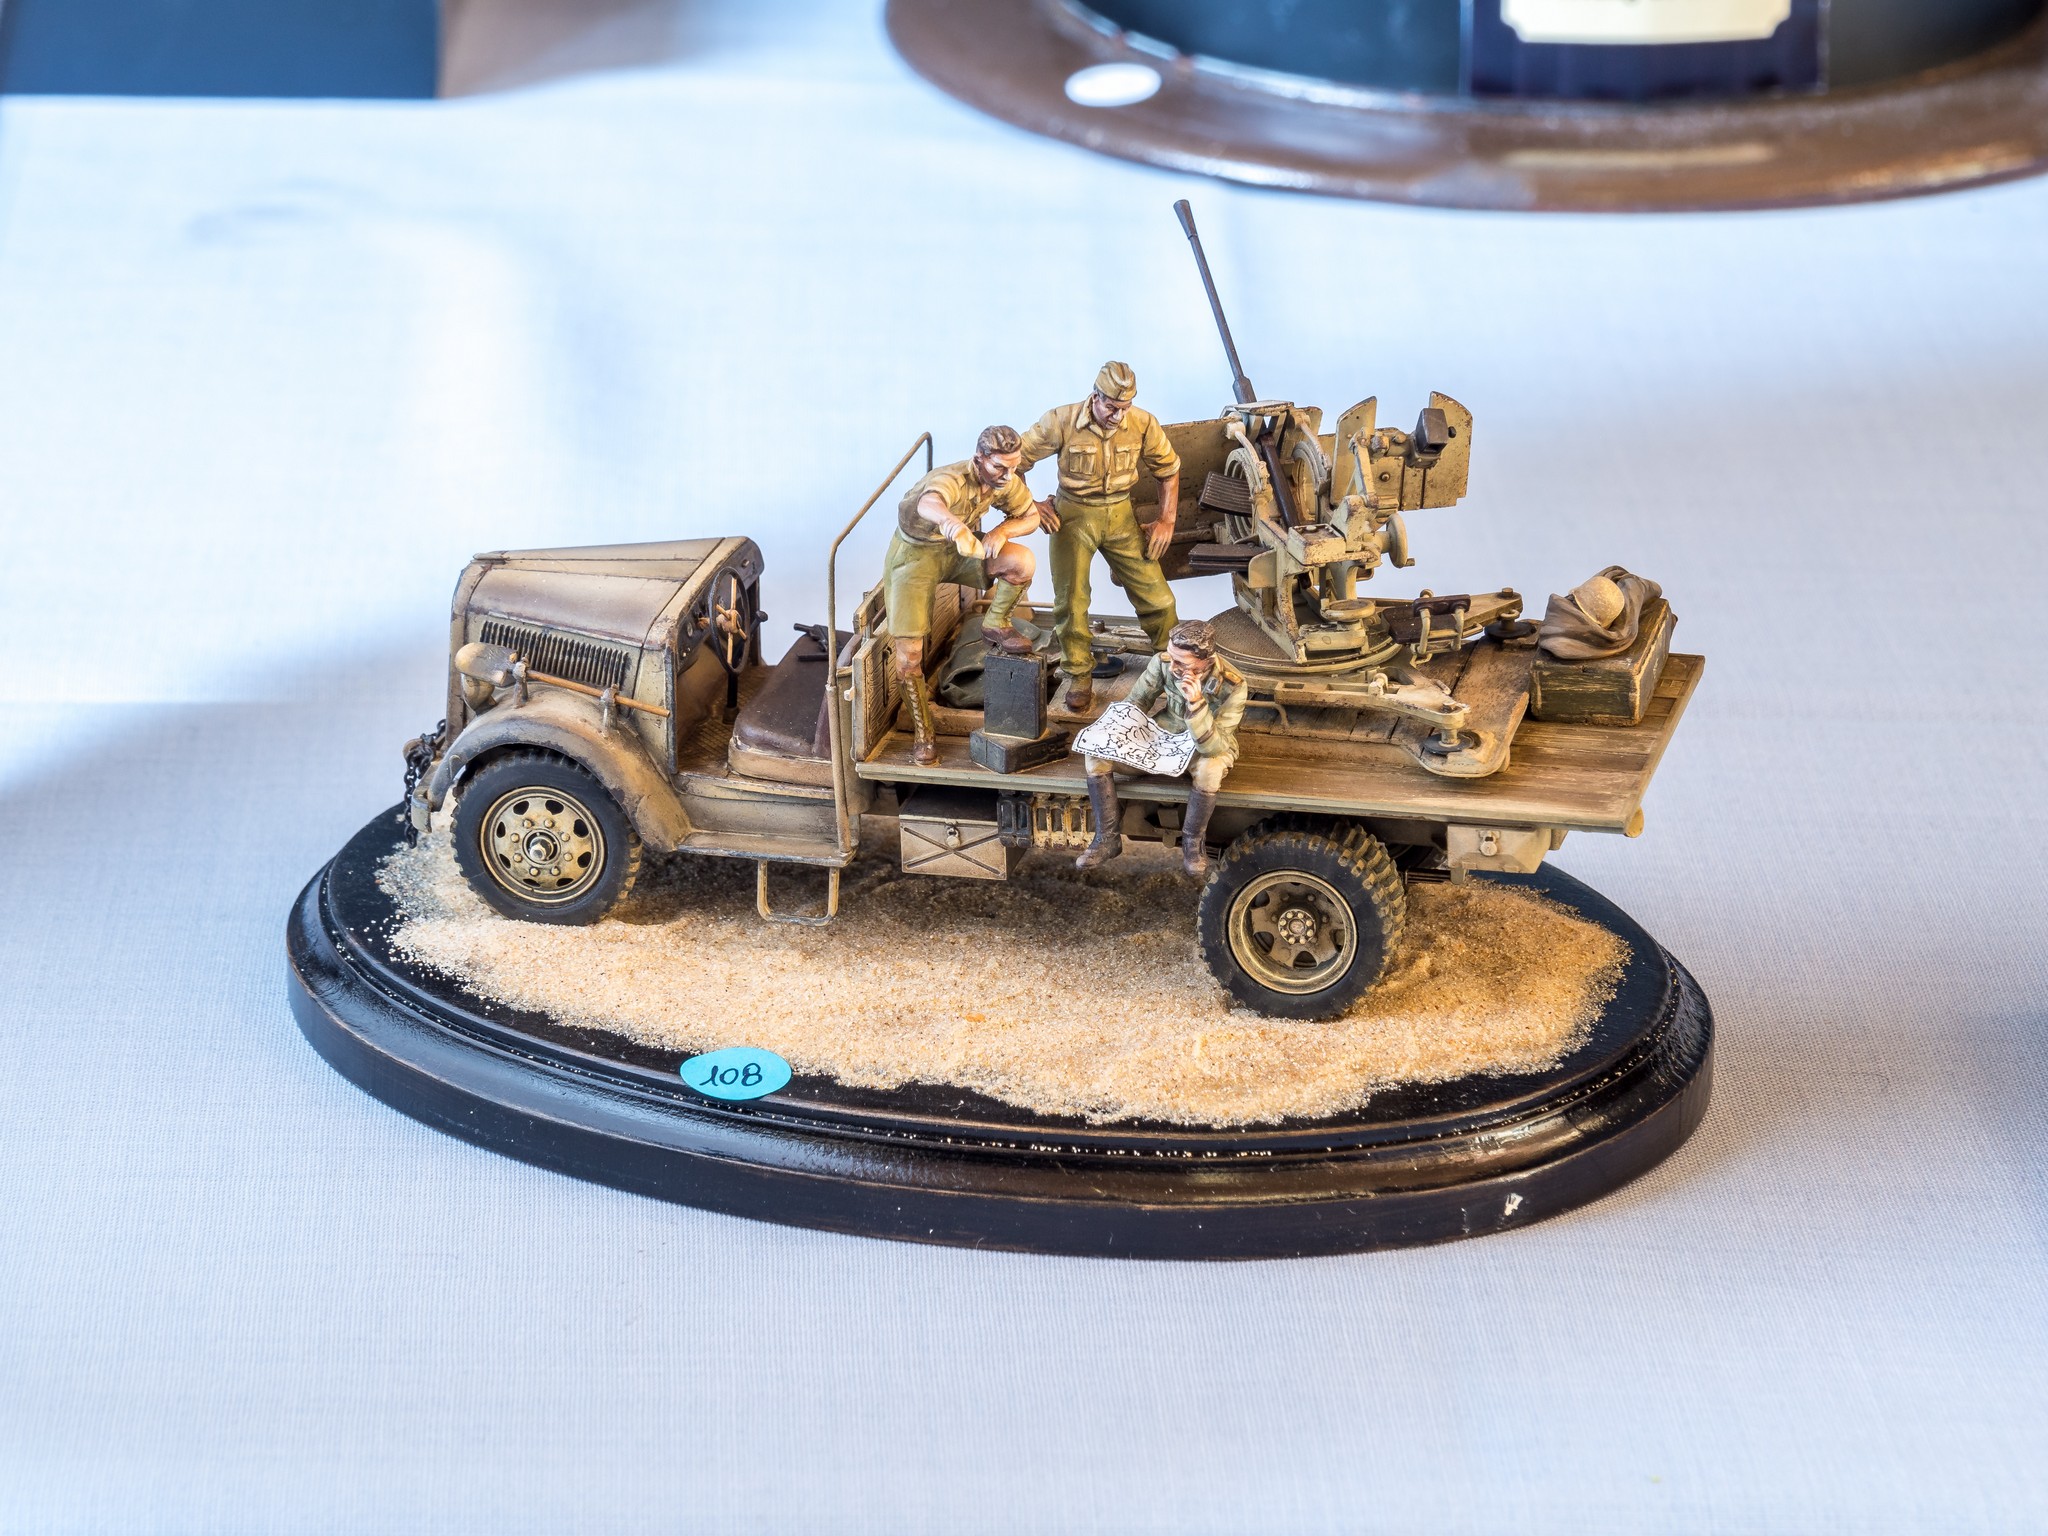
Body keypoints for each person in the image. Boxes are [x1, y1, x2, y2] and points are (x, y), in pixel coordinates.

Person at [1017, 362, 1181, 714]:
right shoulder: (1060, 420)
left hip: (1121, 515)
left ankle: (1173, 667)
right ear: (1095, 397)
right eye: (1111, 407)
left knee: (1159, 598)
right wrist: (1030, 507)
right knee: (1071, 600)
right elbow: (1015, 461)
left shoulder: (1143, 423)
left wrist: (1166, 520)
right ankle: (1078, 674)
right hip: (1073, 516)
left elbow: (1168, 469)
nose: (1118, 416)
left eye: (1125, 407)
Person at [883, 425, 1050, 765]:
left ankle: (995, 622)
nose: (1008, 476)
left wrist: (1002, 531)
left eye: (1013, 467)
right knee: (909, 656)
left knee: (1022, 562)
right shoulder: (952, 479)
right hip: (915, 557)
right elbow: (929, 502)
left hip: (957, 553)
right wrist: (954, 526)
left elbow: (1031, 516)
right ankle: (923, 731)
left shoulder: (1003, 480)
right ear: (979, 459)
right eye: (999, 467)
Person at [1076, 618, 1246, 878]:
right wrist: (1117, 728)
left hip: (1204, 743)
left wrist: (1197, 705)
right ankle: (1107, 838)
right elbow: (1139, 699)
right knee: (1097, 754)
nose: (1173, 666)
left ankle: (1192, 844)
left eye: (1182, 663)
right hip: (1164, 734)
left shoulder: (1233, 684)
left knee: (1210, 770)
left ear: (1206, 661)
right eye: (1171, 657)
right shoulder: (1164, 662)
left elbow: (1214, 747)